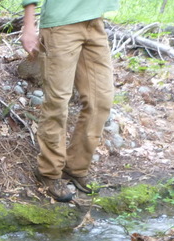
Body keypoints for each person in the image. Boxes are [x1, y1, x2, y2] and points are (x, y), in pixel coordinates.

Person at [20, 0, 118, 202]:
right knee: (57, 103)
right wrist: (28, 26)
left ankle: (75, 167)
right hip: (61, 24)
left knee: (100, 101)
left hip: (95, 22)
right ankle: (49, 172)